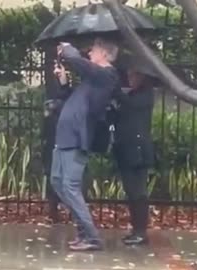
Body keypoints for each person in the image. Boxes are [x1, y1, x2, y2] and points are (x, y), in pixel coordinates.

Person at [50, 38, 119, 251]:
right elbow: (73, 99)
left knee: (69, 187)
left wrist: (68, 50)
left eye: (94, 50)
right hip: (64, 137)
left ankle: (92, 238)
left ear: (105, 55)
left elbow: (79, 62)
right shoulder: (91, 81)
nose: (90, 53)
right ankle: (83, 233)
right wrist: (63, 81)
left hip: (77, 139)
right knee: (57, 182)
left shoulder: (107, 75)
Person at [112, 60, 156, 245]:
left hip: (138, 150)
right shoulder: (131, 94)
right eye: (128, 75)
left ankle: (141, 231)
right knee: (131, 191)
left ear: (142, 77)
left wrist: (115, 91)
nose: (130, 79)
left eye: (134, 76)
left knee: (138, 192)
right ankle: (135, 229)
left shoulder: (145, 95)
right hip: (126, 149)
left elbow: (131, 106)